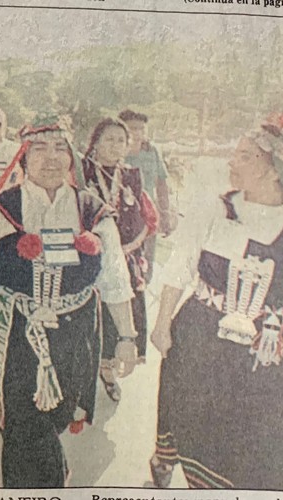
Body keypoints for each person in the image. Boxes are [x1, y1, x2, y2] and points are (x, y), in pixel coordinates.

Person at [149, 112, 283, 489]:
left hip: (267, 349)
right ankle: (177, 469)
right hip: (201, 338)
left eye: (245, 155)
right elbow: (179, 268)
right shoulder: (214, 209)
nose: (232, 162)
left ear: (275, 168)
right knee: (199, 428)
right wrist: (162, 324)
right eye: (234, 154)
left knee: (265, 445)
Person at [0, 114, 138, 487]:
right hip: (11, 335)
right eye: (39, 148)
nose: (51, 157)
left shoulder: (94, 213)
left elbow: (116, 281)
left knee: (56, 418)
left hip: (74, 337)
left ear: (72, 158)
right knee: (23, 427)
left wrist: (127, 337)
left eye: (59, 148)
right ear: (23, 157)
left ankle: (51, 468)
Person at [82, 117, 156, 402]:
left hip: (126, 255)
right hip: (89, 256)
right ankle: (87, 368)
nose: (115, 145)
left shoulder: (131, 176)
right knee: (93, 314)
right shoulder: (82, 171)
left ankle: (109, 370)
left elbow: (143, 218)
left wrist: (132, 247)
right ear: (95, 142)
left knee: (122, 311)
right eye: (109, 139)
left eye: (121, 141)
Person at [118, 109, 171, 281]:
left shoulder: (151, 151)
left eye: (142, 128)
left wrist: (165, 213)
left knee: (147, 263)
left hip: (149, 216)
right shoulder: (117, 152)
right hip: (124, 216)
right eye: (133, 128)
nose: (138, 133)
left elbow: (161, 183)